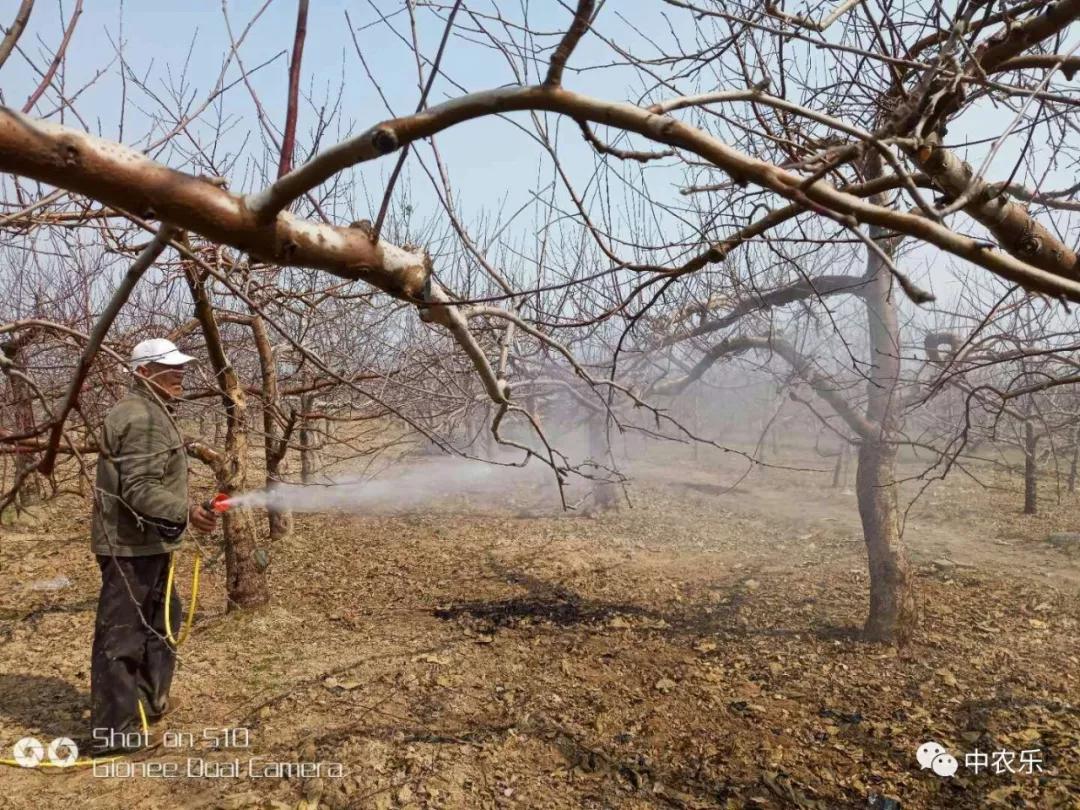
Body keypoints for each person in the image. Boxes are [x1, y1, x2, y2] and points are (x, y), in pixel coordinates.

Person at [88, 338, 218, 755]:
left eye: (181, 367)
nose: (180, 374)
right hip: (129, 546)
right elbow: (139, 489)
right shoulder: (142, 418)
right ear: (144, 372)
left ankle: (147, 702)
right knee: (123, 637)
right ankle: (115, 731)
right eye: (170, 367)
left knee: (163, 622)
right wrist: (185, 511)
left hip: (148, 542)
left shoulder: (152, 412)